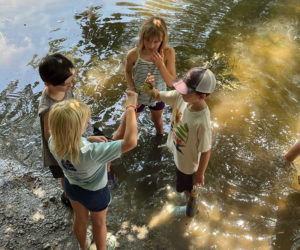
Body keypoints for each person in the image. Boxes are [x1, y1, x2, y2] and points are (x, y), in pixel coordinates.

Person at [48, 93, 138, 250]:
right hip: (95, 193)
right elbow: (130, 142)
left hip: (72, 187)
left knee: (80, 219)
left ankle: (83, 246)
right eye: (85, 123)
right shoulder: (92, 152)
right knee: (99, 223)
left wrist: (87, 139)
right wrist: (130, 107)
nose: (87, 123)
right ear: (77, 129)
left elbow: (73, 144)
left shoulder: (53, 141)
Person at [148, 67, 216, 216]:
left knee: (188, 187)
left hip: (188, 166)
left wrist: (199, 174)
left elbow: (206, 151)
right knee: (183, 183)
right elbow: (157, 96)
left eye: (186, 90)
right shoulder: (181, 97)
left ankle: (189, 210)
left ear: (202, 96)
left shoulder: (202, 122)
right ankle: (185, 195)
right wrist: (150, 88)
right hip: (180, 155)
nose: (181, 91)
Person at [123, 16, 176, 136]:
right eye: (147, 40)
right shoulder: (134, 54)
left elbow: (171, 82)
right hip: (139, 95)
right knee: (129, 122)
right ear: (142, 37)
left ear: (163, 39)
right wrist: (132, 89)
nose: (151, 45)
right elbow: (127, 72)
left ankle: (159, 138)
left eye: (156, 42)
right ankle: (125, 145)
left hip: (158, 95)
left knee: (157, 121)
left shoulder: (168, 53)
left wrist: (160, 65)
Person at [38, 53, 75, 208]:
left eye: (72, 81)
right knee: (64, 173)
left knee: (73, 171)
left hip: (70, 136)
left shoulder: (65, 89)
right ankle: (67, 196)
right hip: (59, 149)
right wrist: (64, 150)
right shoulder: (48, 108)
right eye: (67, 84)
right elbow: (49, 136)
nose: (71, 86)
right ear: (48, 84)